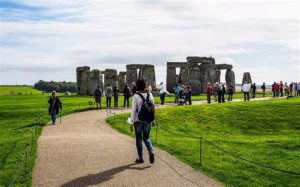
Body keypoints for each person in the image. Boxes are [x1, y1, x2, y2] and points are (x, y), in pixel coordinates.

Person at [130, 79, 155, 164]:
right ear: (144, 85)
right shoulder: (150, 94)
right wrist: (153, 120)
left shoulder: (136, 96)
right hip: (148, 119)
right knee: (147, 137)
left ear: (137, 86)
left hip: (138, 120)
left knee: (139, 139)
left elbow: (133, 110)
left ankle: (141, 158)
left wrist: (131, 122)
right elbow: (152, 108)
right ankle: (151, 151)